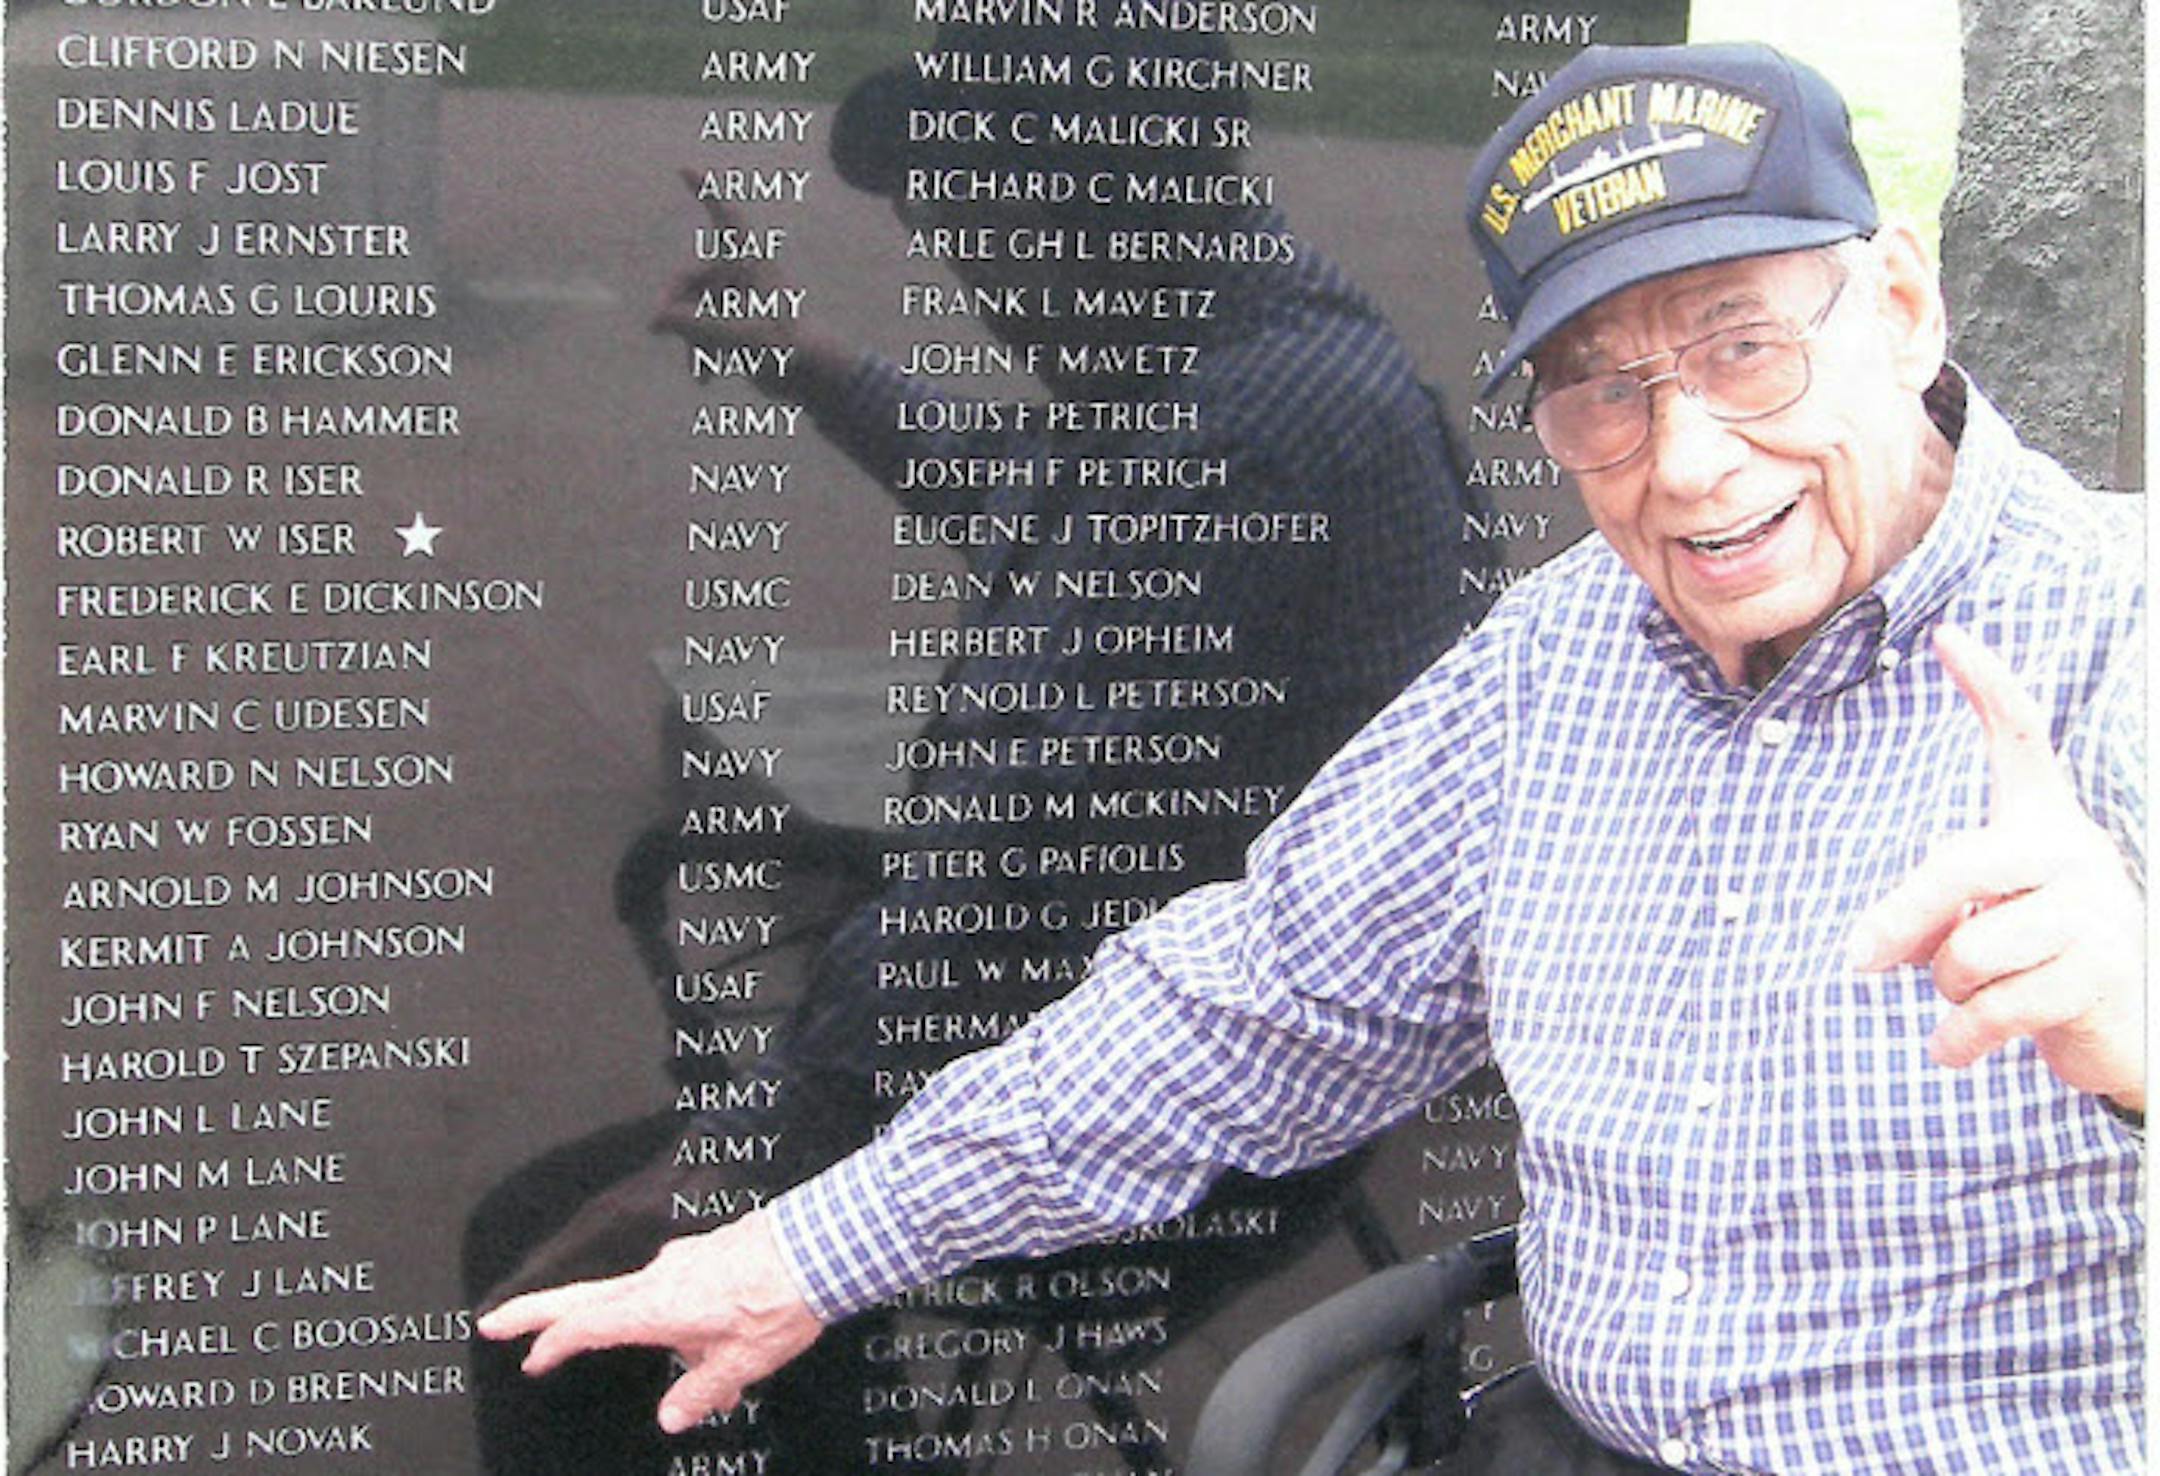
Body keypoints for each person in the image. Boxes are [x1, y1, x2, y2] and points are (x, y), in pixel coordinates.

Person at [482, 41, 2144, 1473]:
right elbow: (1252, 998)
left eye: (1744, 347)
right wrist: (795, 1247)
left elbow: (1030, 844)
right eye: (1600, 397)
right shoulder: (1552, 656)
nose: (1693, 464)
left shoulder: (2126, 643)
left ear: (1906, 303)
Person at [467, 16, 1488, 1470]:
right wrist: (807, 360)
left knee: (564, 1283)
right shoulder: (1232, 358)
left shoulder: (1249, 434)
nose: (981, 292)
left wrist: (754, 1161)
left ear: (1119, 204)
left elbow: (1008, 873)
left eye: (993, 247)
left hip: (1157, 1125)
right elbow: (1040, 499)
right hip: (1090, 1036)